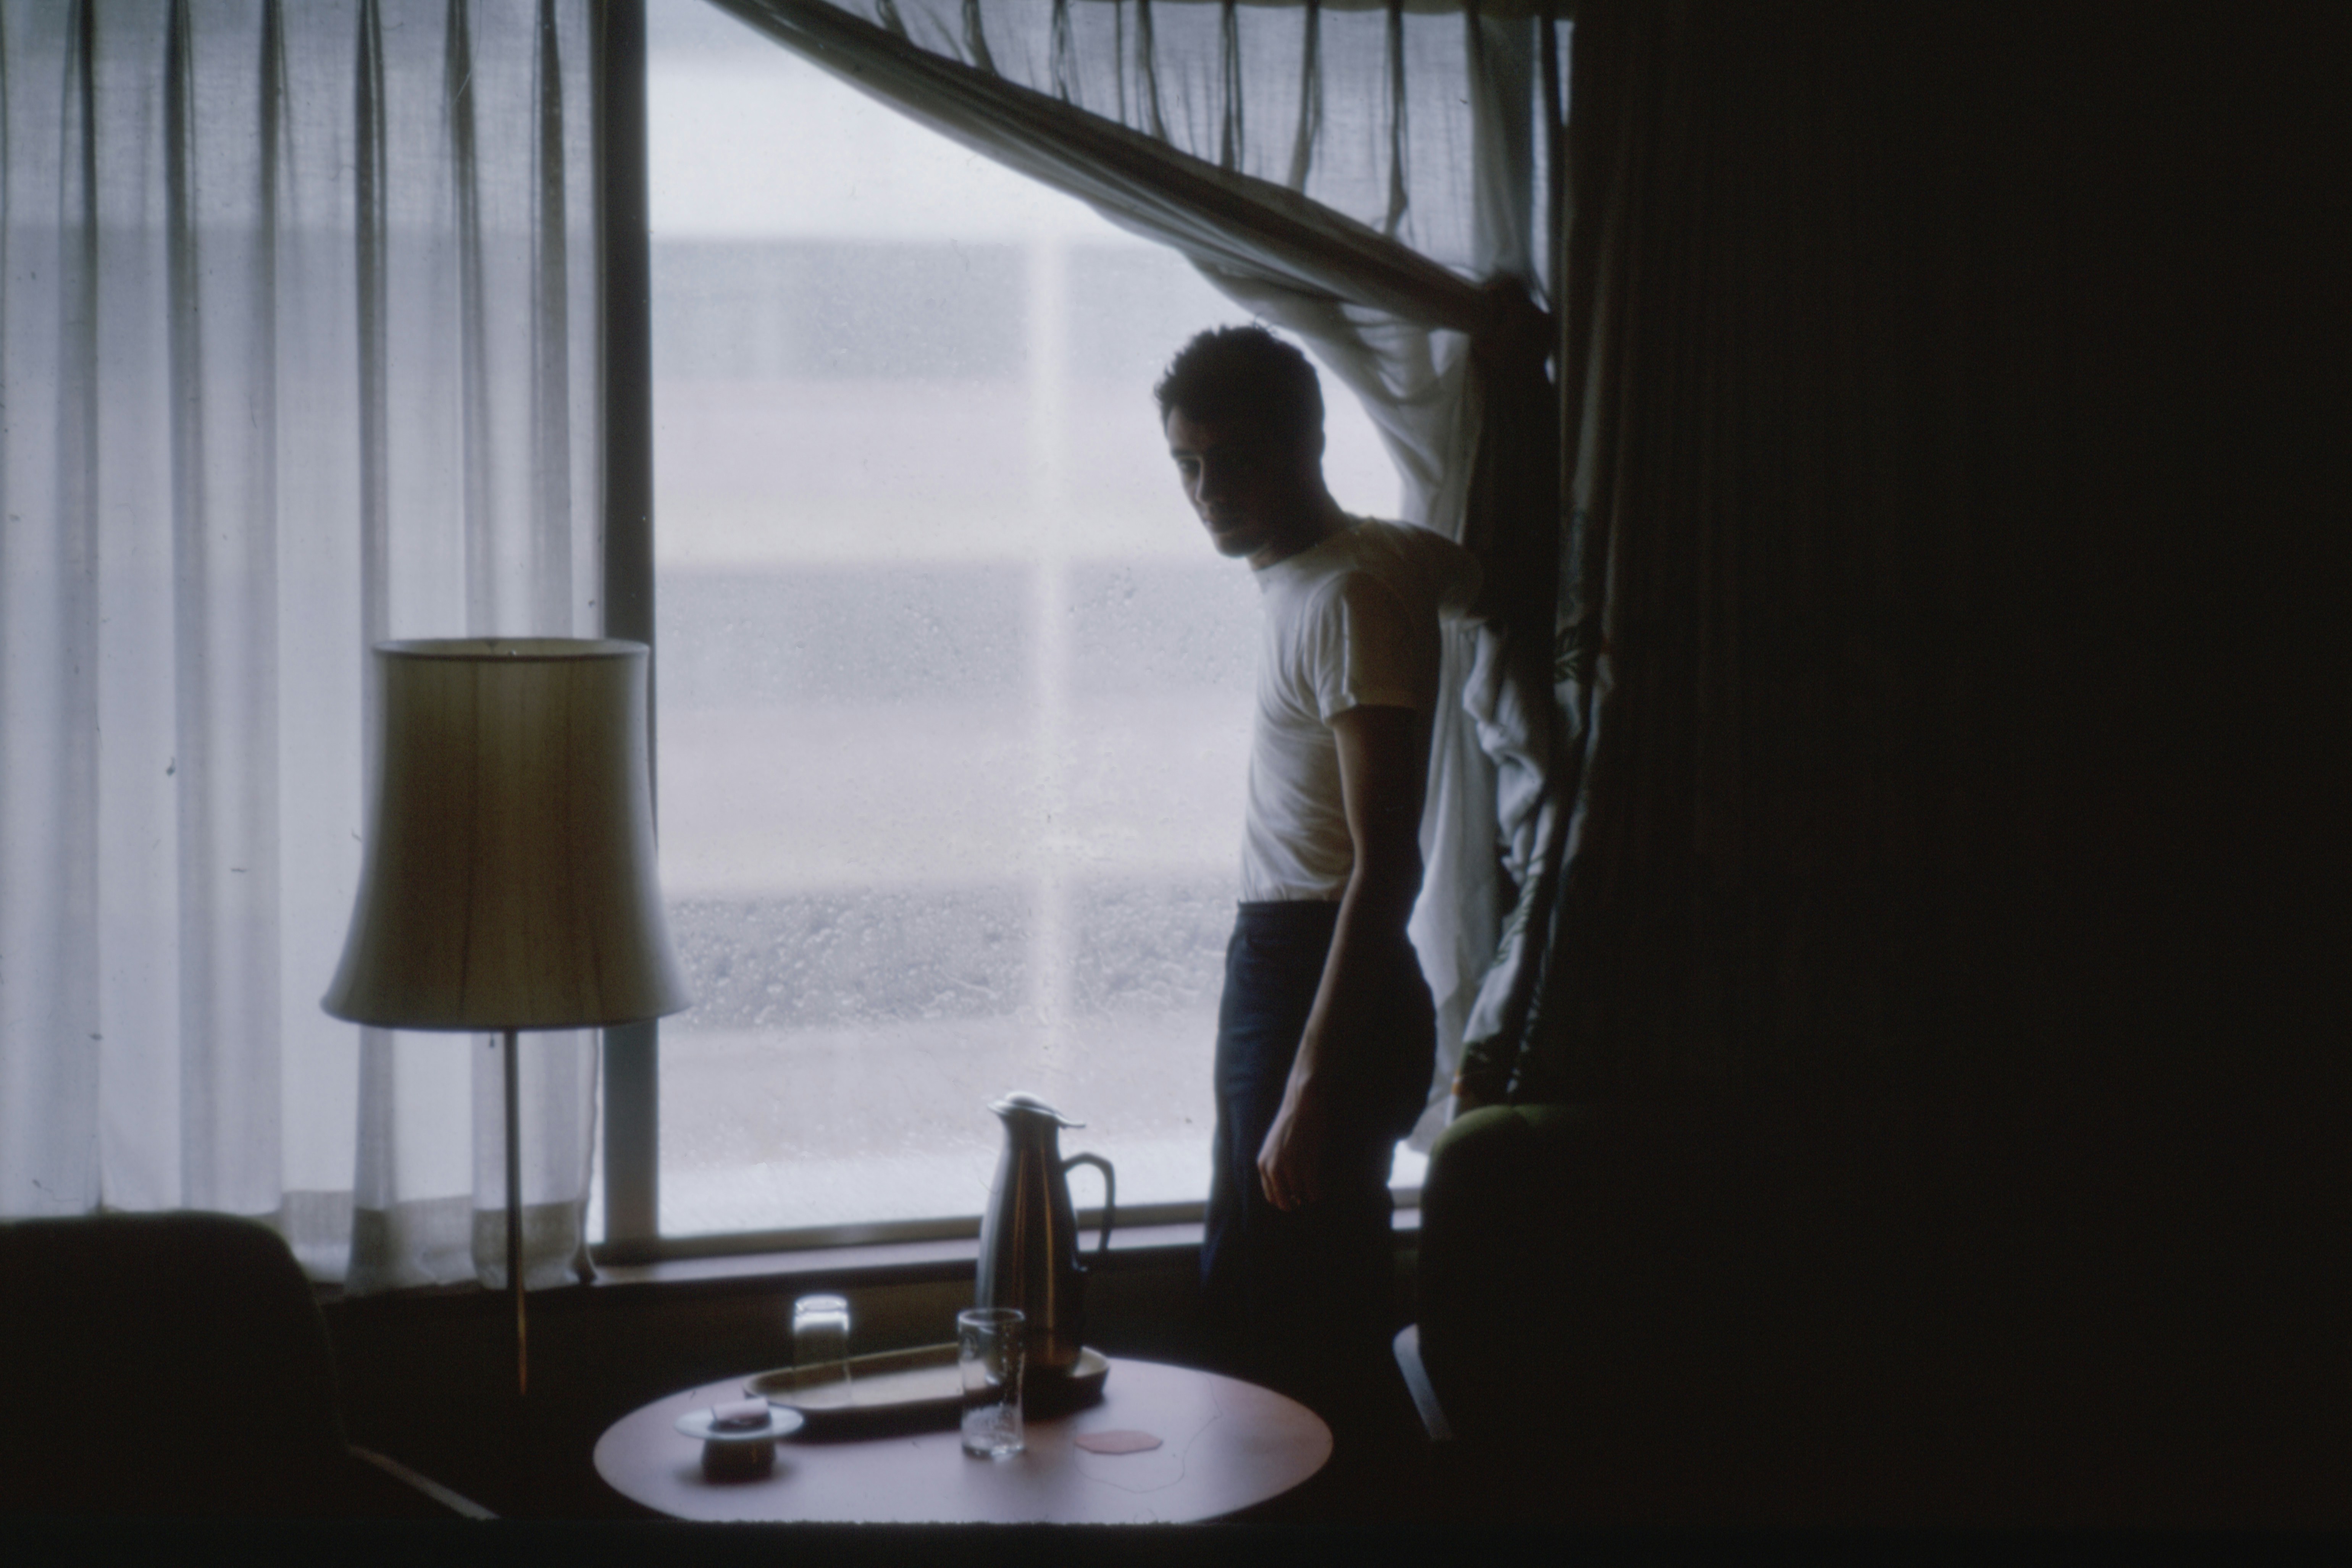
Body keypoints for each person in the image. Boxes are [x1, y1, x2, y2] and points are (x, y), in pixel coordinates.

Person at [1156, 325, 1479, 1426]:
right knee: (1292, 1304)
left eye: (1233, 461)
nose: (1206, 492)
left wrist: (1306, 1083)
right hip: (1294, 962)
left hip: (1315, 971)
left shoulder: (1346, 594)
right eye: (1186, 466)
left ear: (1306, 446)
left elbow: (1387, 864)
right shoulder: (1366, 561)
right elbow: (1492, 567)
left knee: (1280, 1331)